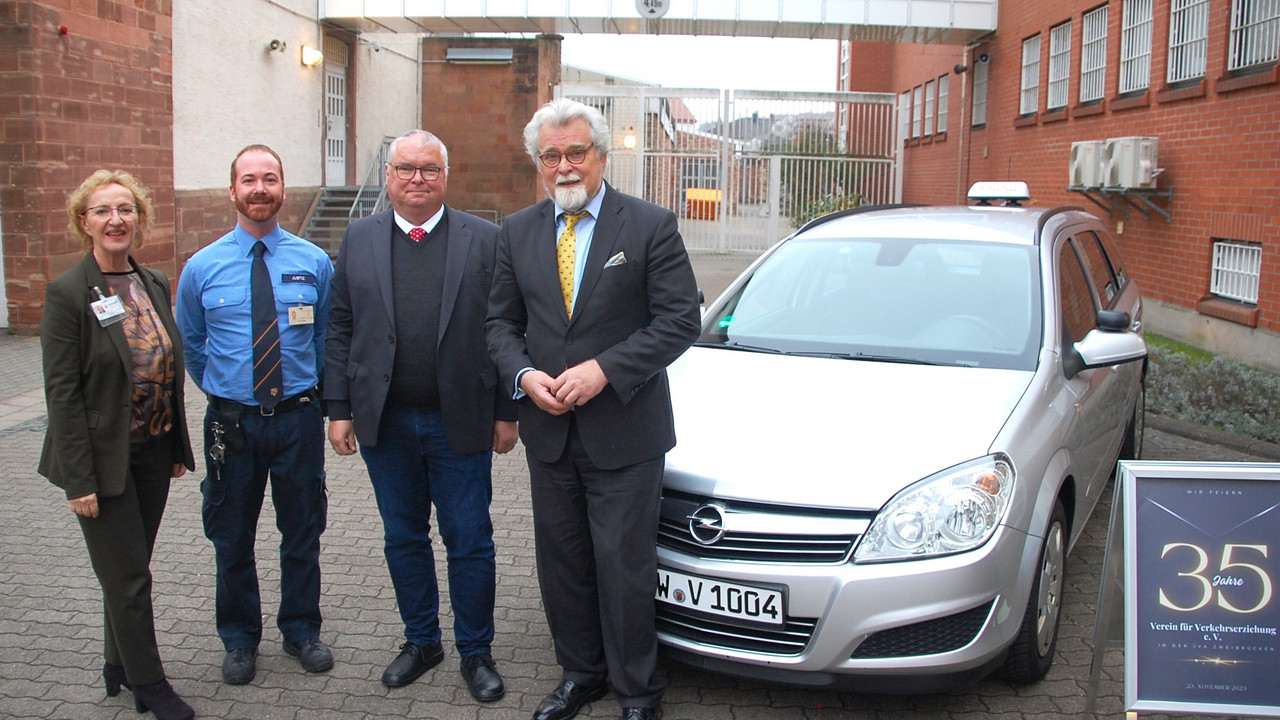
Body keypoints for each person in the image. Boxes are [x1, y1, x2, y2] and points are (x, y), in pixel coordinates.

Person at [486, 99, 701, 720]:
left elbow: (680, 320)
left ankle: (637, 691)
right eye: (550, 156)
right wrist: (523, 376)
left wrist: (604, 369)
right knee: (563, 562)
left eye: (575, 153)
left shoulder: (649, 225)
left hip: (625, 433)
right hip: (549, 432)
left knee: (624, 567)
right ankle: (581, 674)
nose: (563, 167)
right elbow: (499, 323)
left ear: (601, 156)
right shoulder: (518, 231)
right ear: (538, 164)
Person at [324, 129, 518, 699]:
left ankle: (475, 651)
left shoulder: (485, 239)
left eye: (429, 169)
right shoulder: (358, 237)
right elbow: (340, 327)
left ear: (445, 177)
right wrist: (338, 408)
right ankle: (421, 641)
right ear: (387, 175)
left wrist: (508, 411)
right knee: (403, 537)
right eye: (405, 168)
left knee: (470, 539)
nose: (416, 178)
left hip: (461, 422)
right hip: (386, 425)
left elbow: (507, 327)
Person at [39, 170, 197, 720]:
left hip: (153, 452)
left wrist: (176, 442)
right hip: (101, 460)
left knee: (128, 569)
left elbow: (166, 365)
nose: (116, 220)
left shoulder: (153, 282)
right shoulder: (67, 293)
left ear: (140, 219)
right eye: (103, 211)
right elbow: (61, 394)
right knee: (130, 578)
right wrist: (78, 480)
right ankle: (149, 686)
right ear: (84, 222)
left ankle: (116, 664)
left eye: (126, 209)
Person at [175, 145, 334, 686]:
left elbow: (326, 338)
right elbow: (192, 346)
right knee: (232, 535)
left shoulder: (314, 262)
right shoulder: (201, 267)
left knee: (302, 531)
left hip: (298, 420)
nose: (260, 189)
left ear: (283, 188)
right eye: (249, 180)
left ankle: (301, 629)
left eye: (270, 178)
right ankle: (240, 639)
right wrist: (226, 394)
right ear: (233, 191)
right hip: (232, 425)